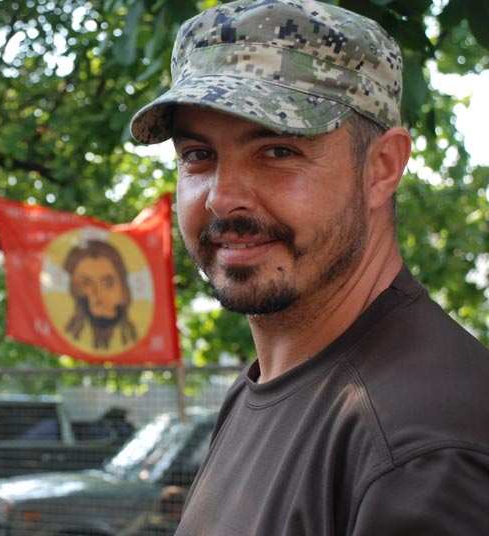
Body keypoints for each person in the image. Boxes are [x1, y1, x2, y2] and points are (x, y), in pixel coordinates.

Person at [129, 0, 489, 534]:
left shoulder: (422, 447)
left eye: (277, 151)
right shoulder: (270, 383)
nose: (223, 198)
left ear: (382, 167)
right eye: (198, 155)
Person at [63, 239, 138, 349]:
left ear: (123, 286)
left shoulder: (134, 333)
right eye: (86, 284)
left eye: (107, 283)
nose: (97, 293)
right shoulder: (71, 336)